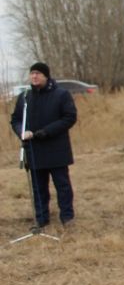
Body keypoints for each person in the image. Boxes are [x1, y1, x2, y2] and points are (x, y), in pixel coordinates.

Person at [9, 62, 79, 233]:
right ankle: (41, 219)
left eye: (38, 73)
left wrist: (45, 132)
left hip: (57, 149)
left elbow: (69, 117)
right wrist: (21, 131)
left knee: (62, 185)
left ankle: (67, 217)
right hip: (34, 150)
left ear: (46, 76)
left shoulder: (61, 95)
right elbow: (16, 119)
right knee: (38, 187)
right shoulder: (25, 97)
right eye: (32, 73)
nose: (34, 77)